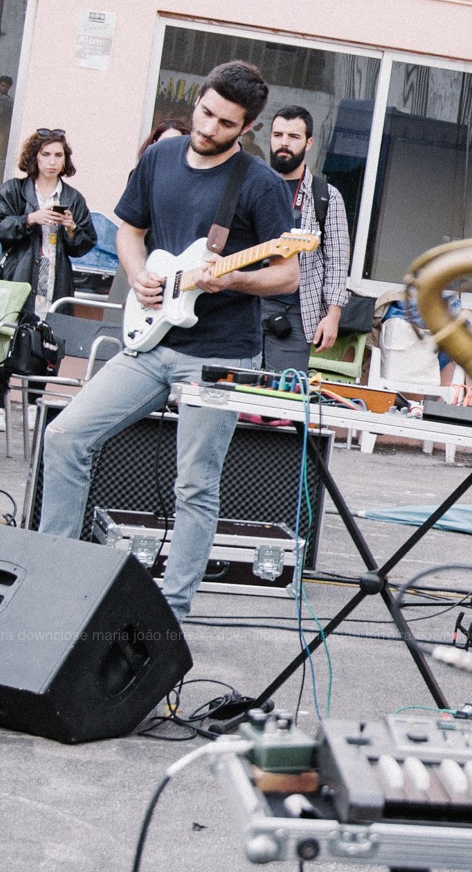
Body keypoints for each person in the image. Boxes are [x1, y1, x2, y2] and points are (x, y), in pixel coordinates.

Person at [40, 61, 299, 622]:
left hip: (220, 354)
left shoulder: (259, 185)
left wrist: (233, 278)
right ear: (198, 99)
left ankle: (171, 614)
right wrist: (136, 275)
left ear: (247, 126)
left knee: (195, 485)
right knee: (65, 437)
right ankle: (50, 574)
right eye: (205, 113)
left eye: (225, 124)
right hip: (150, 342)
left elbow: (286, 275)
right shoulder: (160, 156)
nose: (208, 129)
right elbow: (131, 229)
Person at [0, 128, 98, 428]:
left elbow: (86, 244)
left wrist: (72, 227)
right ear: (34, 157)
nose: (52, 161)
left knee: (50, 340)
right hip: (19, 276)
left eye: (58, 155)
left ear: (65, 160)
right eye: (45, 154)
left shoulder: (72, 198)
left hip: (56, 279)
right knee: (9, 335)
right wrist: (30, 219)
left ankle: (38, 401)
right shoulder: (14, 190)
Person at [260, 106, 348, 373]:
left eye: (294, 136)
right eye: (278, 134)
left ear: (309, 142)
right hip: (245, 308)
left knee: (283, 402)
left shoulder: (326, 196)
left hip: (295, 314)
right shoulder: (254, 186)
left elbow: (337, 261)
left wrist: (333, 316)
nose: (284, 142)